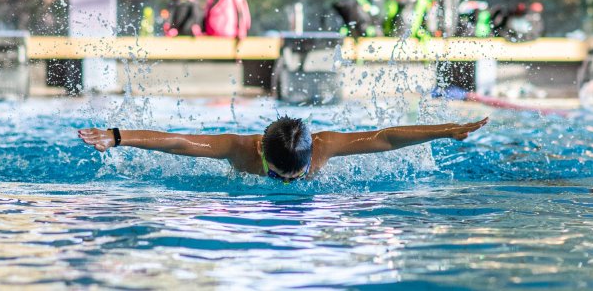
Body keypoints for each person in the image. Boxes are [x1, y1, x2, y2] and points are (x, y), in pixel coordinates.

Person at [78, 117, 488, 182]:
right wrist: (117, 136)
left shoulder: (325, 147)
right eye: (279, 176)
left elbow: (386, 137)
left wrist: (447, 130)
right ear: (262, 152)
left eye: (296, 175)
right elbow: (179, 141)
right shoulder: (240, 149)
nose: (289, 182)